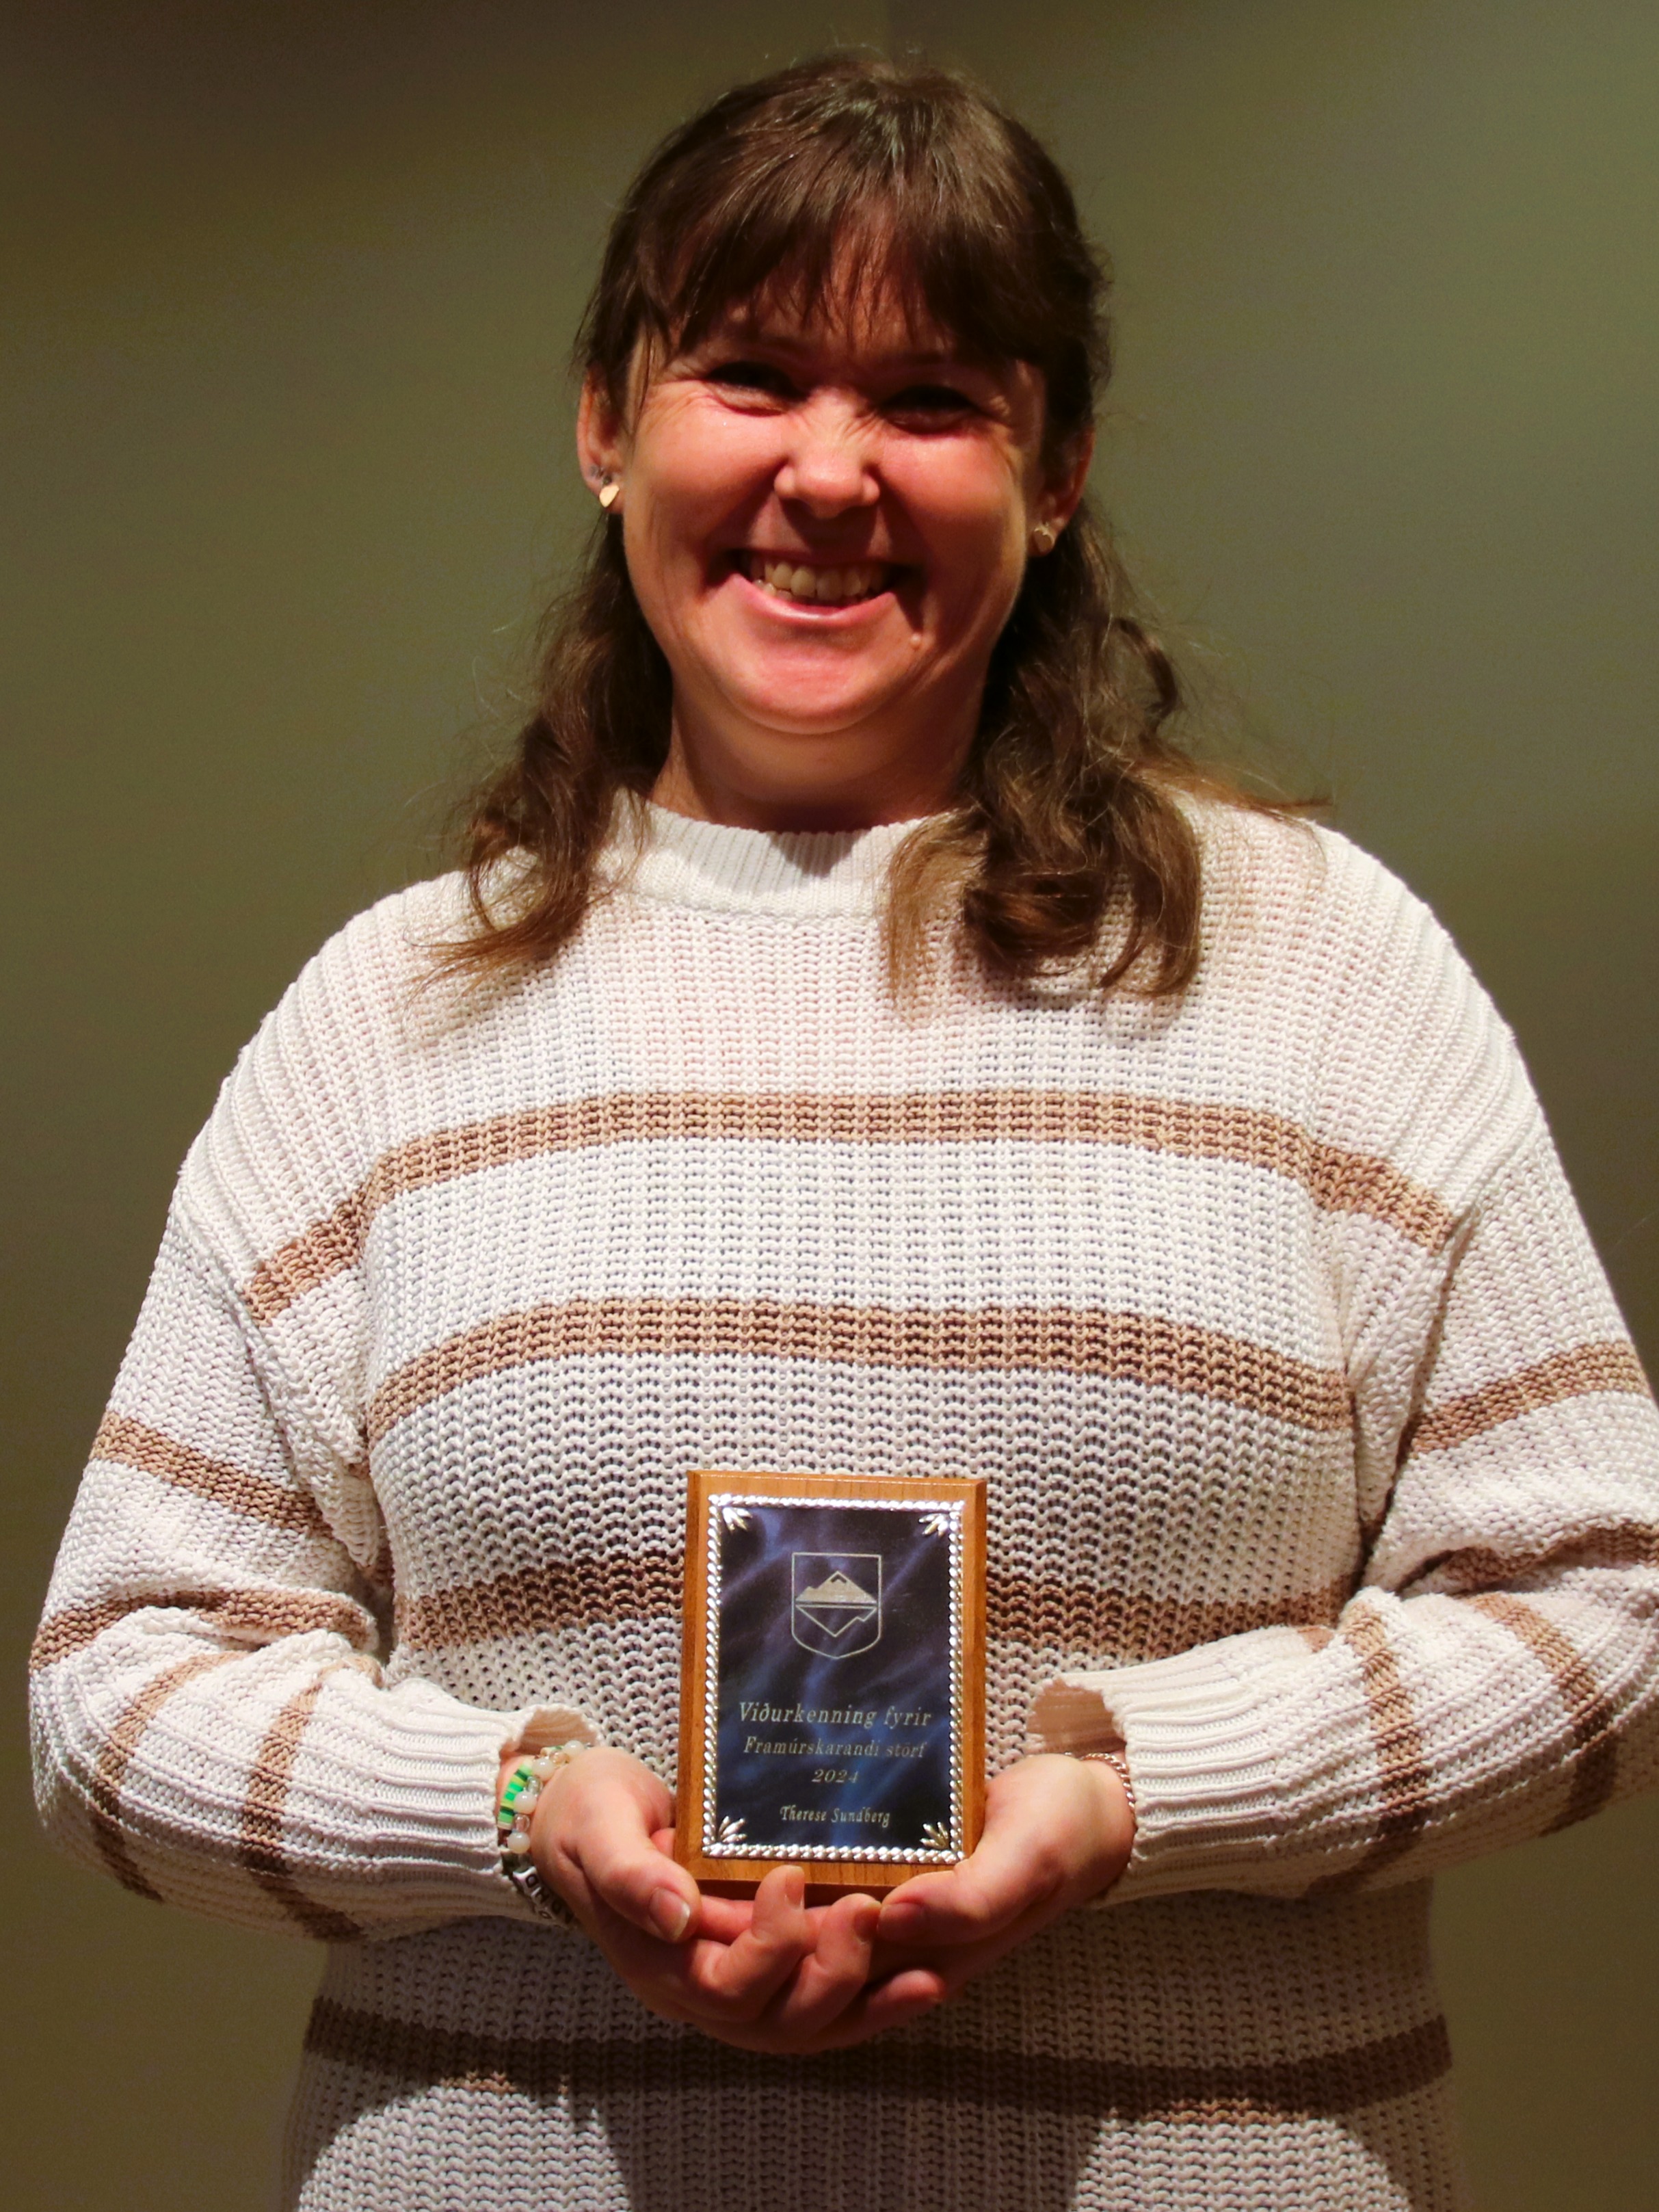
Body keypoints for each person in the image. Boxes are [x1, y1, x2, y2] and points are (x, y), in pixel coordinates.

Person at [30, 51, 1659, 2212]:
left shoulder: (1317, 969)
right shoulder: (389, 1017)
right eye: (751, 373)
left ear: (1054, 471)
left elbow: (1603, 1604)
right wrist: (516, 1815)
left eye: (929, 398)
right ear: (606, 425)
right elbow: (117, 1690)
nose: (825, 470)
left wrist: (1130, 1800)